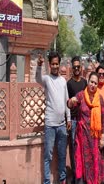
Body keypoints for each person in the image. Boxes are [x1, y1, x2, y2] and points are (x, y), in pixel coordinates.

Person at [36, 51, 71, 184]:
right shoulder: (46, 79)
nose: (55, 66)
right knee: (48, 156)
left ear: (59, 64)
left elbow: (66, 100)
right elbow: (37, 79)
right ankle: (46, 181)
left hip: (62, 124)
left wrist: (68, 118)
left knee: (62, 155)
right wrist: (39, 66)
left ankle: (62, 180)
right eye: (53, 64)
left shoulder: (63, 81)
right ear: (50, 65)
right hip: (50, 124)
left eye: (57, 63)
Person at [68, 72, 104, 184]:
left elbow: (103, 119)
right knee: (82, 164)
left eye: (95, 83)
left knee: (95, 164)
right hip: (82, 138)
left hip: (95, 139)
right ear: (88, 81)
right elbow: (70, 104)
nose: (93, 85)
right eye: (91, 82)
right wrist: (71, 101)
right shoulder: (81, 95)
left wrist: (102, 138)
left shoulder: (99, 99)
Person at [67, 56, 87, 184]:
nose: (76, 69)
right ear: (71, 68)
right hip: (74, 121)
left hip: (84, 120)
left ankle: (84, 177)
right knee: (75, 151)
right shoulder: (69, 84)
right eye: (74, 67)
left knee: (84, 149)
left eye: (78, 67)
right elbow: (67, 103)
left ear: (81, 67)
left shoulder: (85, 82)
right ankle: (76, 178)